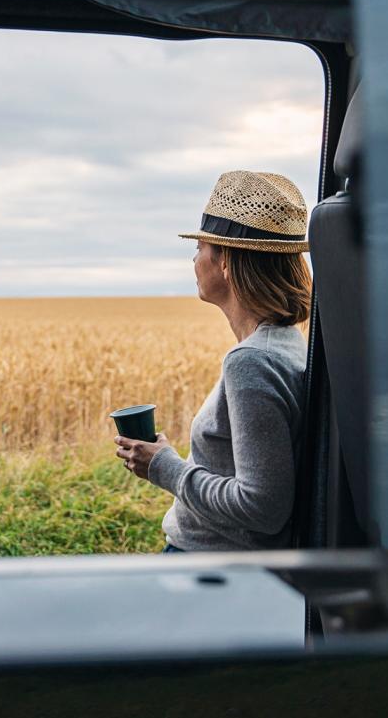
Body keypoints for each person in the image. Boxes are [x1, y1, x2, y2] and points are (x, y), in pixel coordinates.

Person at [115, 170, 312, 551]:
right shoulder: (286, 345)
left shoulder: (252, 362)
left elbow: (263, 508)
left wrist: (164, 467)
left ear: (226, 262)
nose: (194, 259)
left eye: (201, 247)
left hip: (211, 568)